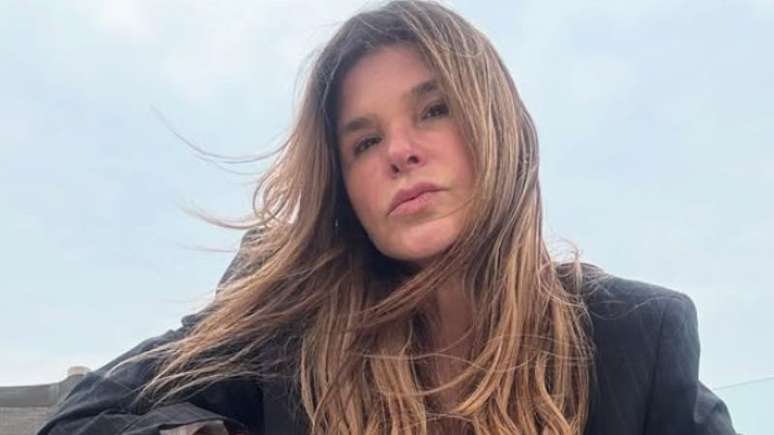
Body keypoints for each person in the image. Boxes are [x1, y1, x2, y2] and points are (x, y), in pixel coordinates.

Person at [38, 1, 737, 434]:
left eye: (433, 109)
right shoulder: (287, 336)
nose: (400, 151)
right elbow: (79, 420)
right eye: (364, 142)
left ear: (497, 126)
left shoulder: (635, 336)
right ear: (344, 186)